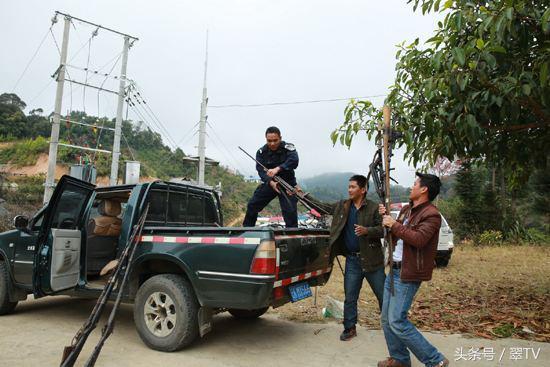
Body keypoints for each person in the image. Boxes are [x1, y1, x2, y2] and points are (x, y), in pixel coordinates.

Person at [377, 172, 449, 367]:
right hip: (394, 269)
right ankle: (399, 359)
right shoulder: (408, 210)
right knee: (386, 320)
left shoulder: (431, 215)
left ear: (424, 189)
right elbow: (396, 234)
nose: (412, 186)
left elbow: (418, 240)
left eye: (415, 184)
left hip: (408, 273)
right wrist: (386, 219)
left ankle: (435, 360)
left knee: (397, 321)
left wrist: (394, 225)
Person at [305, 175, 385, 341]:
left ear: (363, 190)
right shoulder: (343, 206)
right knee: (350, 297)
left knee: (383, 295)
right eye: (349, 187)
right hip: (352, 260)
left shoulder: (374, 207)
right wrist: (304, 195)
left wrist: (367, 231)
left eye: (353, 187)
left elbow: (384, 230)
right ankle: (349, 328)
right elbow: (323, 207)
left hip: (372, 260)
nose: (349, 190)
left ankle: (391, 326)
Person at [243, 126, 299, 228]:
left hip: (287, 185)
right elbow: (260, 171)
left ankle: (292, 235)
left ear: (280, 138)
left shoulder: (288, 148)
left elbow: (294, 161)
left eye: (275, 140)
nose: (272, 143)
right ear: (266, 139)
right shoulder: (261, 152)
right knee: (252, 205)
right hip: (271, 184)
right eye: (269, 141)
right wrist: (270, 182)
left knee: (290, 211)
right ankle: (246, 231)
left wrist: (278, 169)